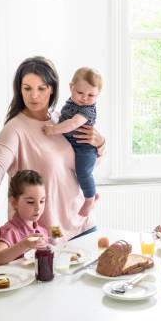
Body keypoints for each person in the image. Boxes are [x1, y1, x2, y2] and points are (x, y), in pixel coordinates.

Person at [0, 56, 106, 241]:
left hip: (83, 225)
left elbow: (83, 167)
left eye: (41, 88)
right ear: (20, 90)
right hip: (47, 236)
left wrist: (100, 144)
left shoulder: (61, 121)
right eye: (27, 88)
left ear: (52, 89)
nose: (33, 95)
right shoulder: (15, 129)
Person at [42, 67, 102, 217]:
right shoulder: (72, 102)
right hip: (73, 144)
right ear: (71, 87)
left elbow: (73, 124)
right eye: (80, 92)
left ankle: (89, 199)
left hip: (85, 148)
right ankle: (91, 192)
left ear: (98, 94)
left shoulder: (88, 110)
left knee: (83, 172)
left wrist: (53, 130)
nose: (84, 98)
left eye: (91, 95)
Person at [0, 170, 47, 265]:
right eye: (30, 202)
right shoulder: (10, 231)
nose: (38, 208)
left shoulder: (42, 231)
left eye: (42, 201)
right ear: (14, 202)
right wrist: (25, 244)